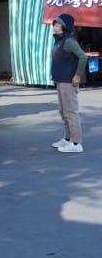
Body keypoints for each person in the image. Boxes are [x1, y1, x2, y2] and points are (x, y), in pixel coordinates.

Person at [50, 13, 87, 153]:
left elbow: (83, 57)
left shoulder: (69, 41)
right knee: (63, 112)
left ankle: (76, 144)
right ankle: (67, 139)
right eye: (55, 23)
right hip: (60, 81)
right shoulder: (59, 40)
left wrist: (77, 75)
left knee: (71, 112)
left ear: (65, 27)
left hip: (68, 82)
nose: (56, 26)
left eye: (59, 24)